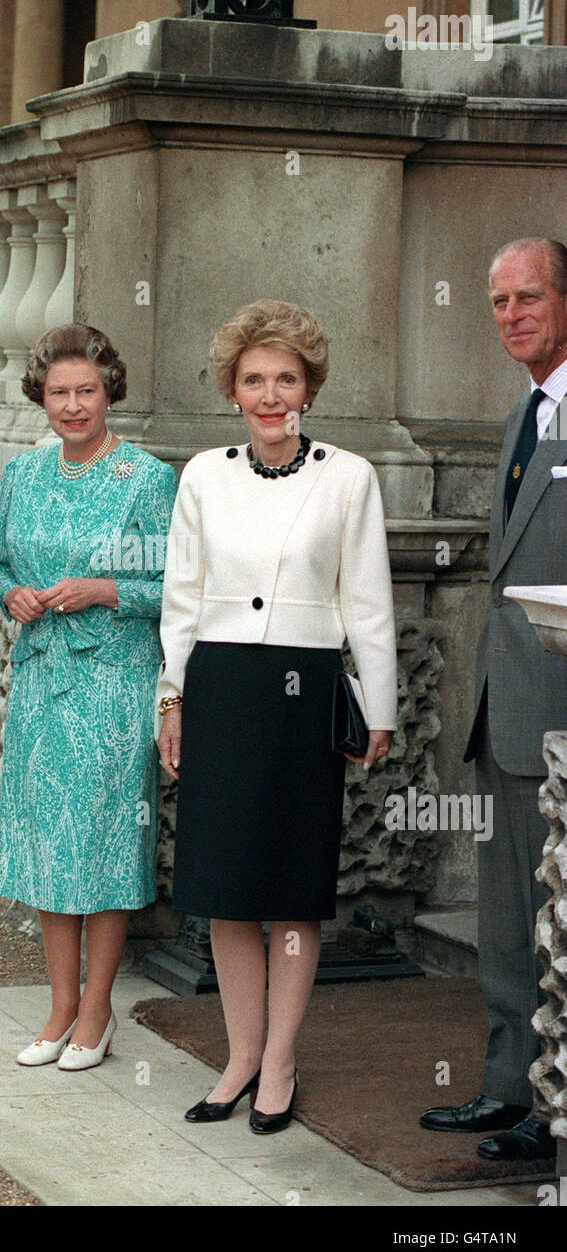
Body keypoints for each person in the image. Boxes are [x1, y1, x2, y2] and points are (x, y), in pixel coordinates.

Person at [156, 299, 397, 1133]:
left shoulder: (349, 476)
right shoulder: (202, 475)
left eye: (285, 379)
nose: (269, 395)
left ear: (308, 389)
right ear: (232, 390)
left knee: (291, 892)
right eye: (253, 379)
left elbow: (366, 600)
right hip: (220, 687)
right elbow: (179, 600)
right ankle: (240, 1056)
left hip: (302, 692)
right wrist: (171, 699)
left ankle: (282, 1063)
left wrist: (379, 706)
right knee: (225, 891)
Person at [0, 324, 177, 1069]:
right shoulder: (27, 475)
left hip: (114, 680)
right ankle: (59, 1005)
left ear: (110, 392)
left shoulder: (148, 478)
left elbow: (175, 588)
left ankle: (98, 1009)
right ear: (42, 395)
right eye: (59, 392)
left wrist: (104, 589)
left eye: (86, 391)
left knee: (100, 840)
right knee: (43, 841)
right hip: (40, 677)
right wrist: (14, 596)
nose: (72, 406)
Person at [419, 238, 567, 1163]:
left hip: (560, 714)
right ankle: (512, 1089)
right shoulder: (524, 413)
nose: (510, 314)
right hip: (504, 710)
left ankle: (553, 1109)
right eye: (497, 301)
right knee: (510, 921)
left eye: (528, 297)